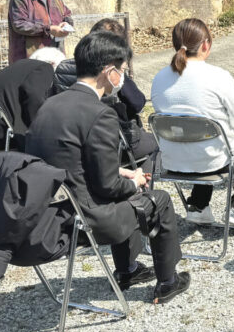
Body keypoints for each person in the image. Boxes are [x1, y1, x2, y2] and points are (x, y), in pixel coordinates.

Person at [25, 31, 189, 304]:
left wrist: (121, 174)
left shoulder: (49, 105)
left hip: (52, 211)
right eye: (122, 70)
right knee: (157, 200)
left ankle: (128, 270)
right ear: (108, 71)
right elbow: (108, 186)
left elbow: (67, 161)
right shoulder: (100, 113)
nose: (122, 77)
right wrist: (134, 180)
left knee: (128, 191)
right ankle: (167, 281)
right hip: (90, 220)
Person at [150, 18, 234, 230]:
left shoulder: (159, 78)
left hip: (173, 160)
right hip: (212, 160)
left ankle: (198, 206)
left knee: (198, 139)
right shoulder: (218, 76)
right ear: (206, 44)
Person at [56, 19, 157, 165]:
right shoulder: (111, 73)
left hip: (70, 138)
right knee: (156, 144)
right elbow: (138, 104)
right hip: (113, 140)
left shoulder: (62, 68)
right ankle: (139, 184)